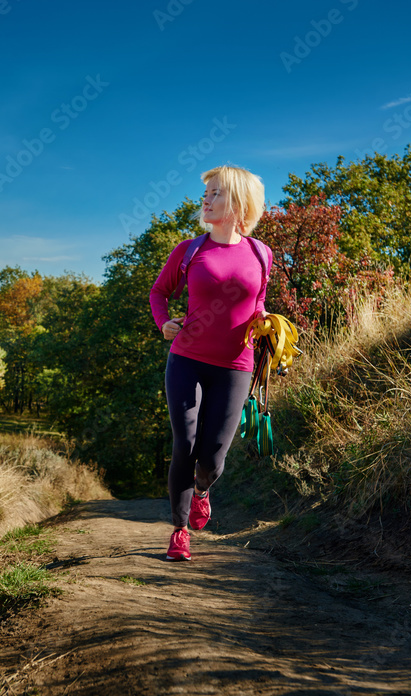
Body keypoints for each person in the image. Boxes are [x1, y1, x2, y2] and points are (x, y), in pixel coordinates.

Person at [148, 164, 271, 561]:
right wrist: (164, 322)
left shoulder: (260, 253)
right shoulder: (189, 250)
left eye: (215, 193)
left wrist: (265, 321)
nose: (206, 199)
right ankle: (179, 530)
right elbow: (159, 292)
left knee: (214, 456)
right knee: (184, 443)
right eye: (206, 193)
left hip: (236, 365)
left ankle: (202, 491)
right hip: (186, 358)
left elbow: (257, 304)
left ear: (238, 202)